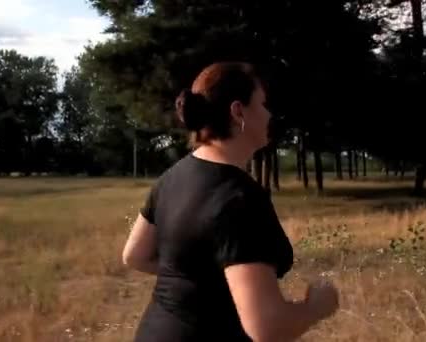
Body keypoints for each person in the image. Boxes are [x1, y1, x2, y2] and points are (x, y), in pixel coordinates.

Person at [122, 62, 339, 342]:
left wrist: (201, 279)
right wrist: (317, 306)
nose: (269, 114)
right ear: (238, 112)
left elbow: (135, 255)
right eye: (262, 104)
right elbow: (268, 329)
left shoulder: (171, 178)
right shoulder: (240, 198)